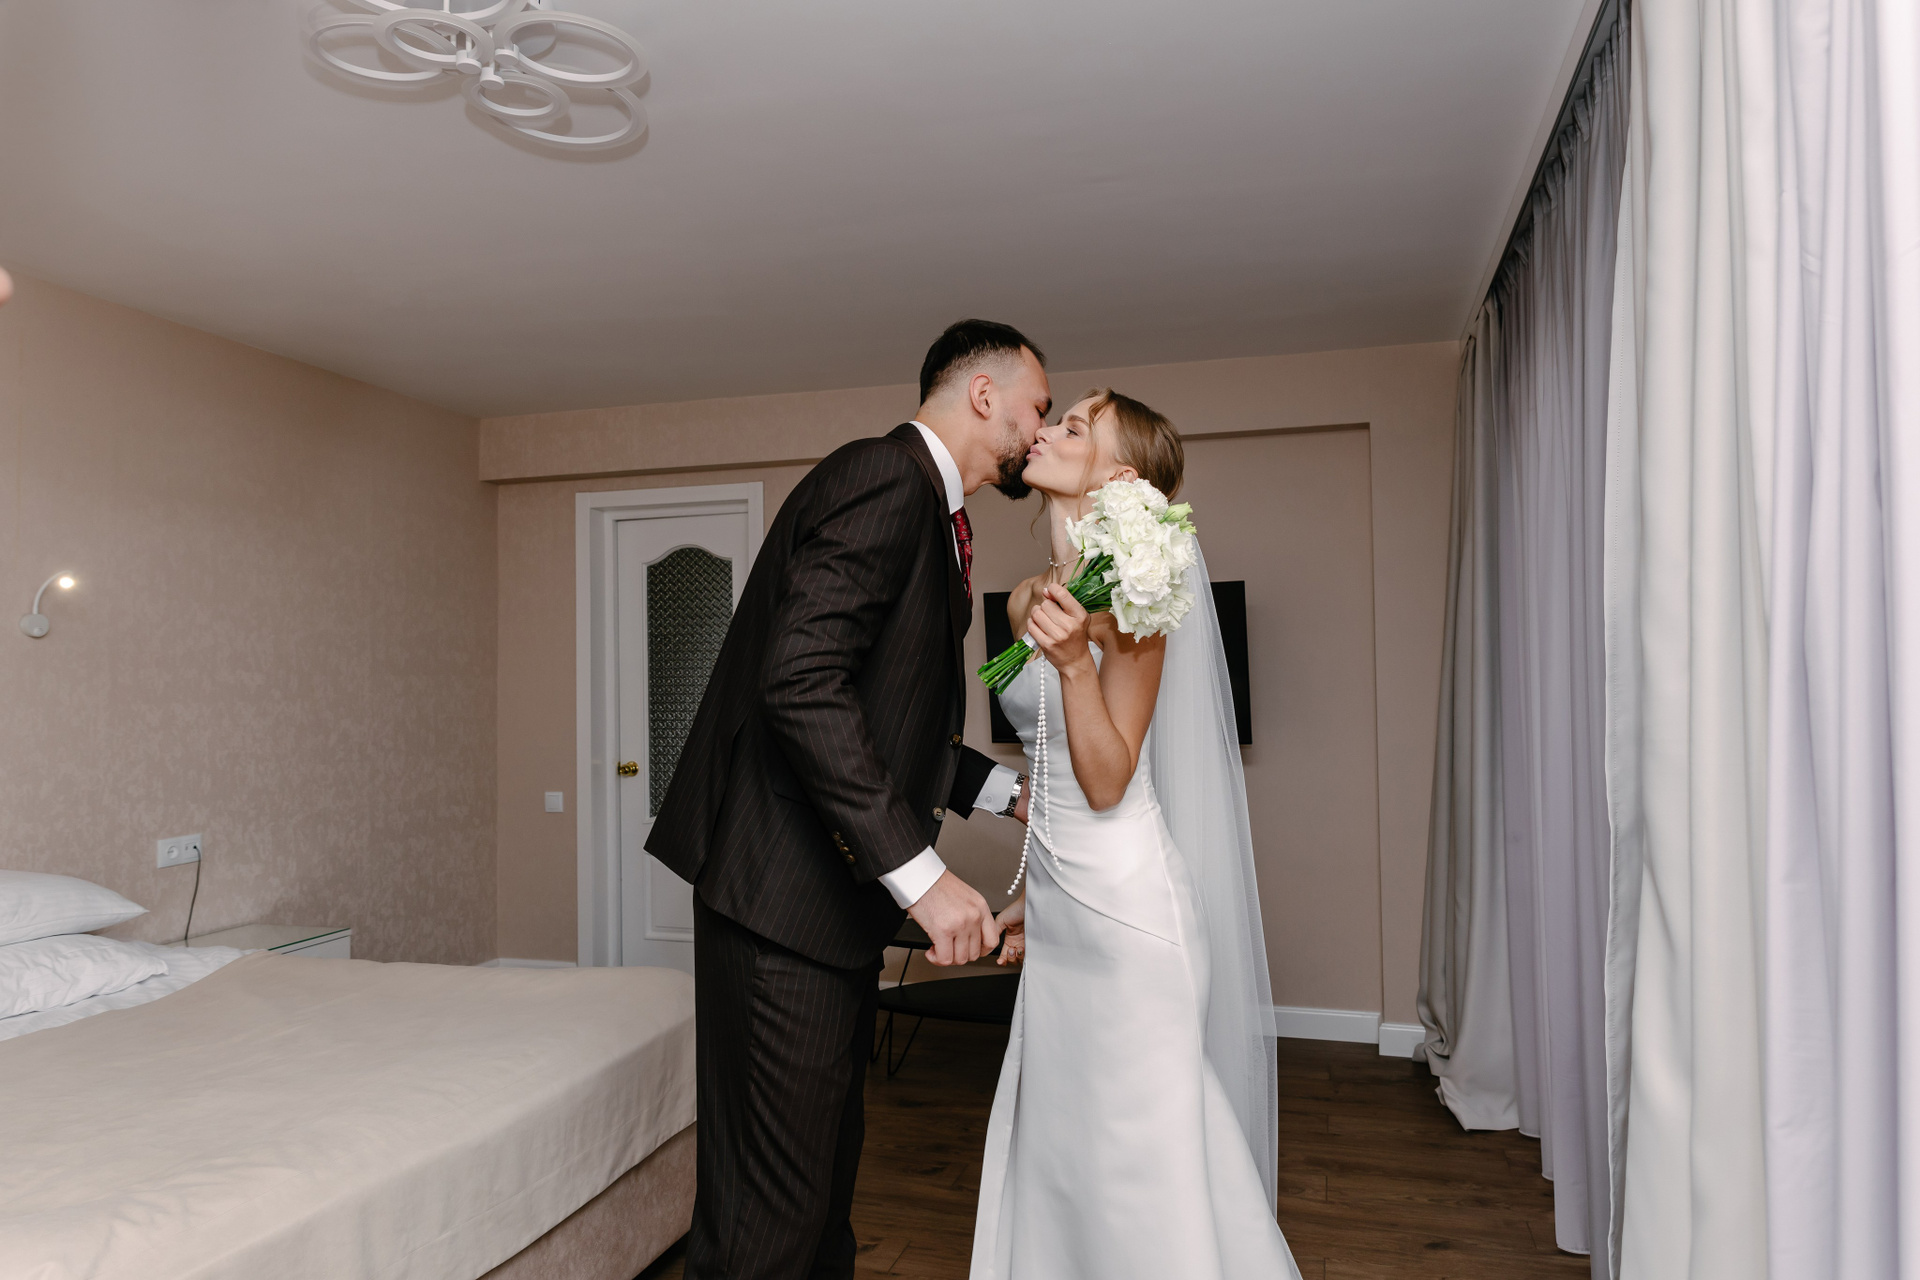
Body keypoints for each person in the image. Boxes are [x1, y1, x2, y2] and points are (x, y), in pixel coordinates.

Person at [647, 319, 1048, 1280]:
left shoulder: (931, 510)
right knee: (770, 1225)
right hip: (781, 903)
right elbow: (800, 683)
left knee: (818, 1203)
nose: (1041, 428)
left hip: (819, 911)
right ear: (984, 394)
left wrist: (1003, 791)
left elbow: (886, 718)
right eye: (1038, 407)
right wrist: (922, 878)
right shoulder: (885, 478)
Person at [971, 390, 1302, 1278]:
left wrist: (1075, 665)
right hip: (1064, 909)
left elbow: (1109, 779)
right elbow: (1049, 762)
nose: (1046, 430)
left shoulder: (1136, 598)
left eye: (1074, 426)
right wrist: (1037, 899)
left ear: (1119, 477)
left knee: (1138, 1159)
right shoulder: (1028, 600)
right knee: (1064, 1153)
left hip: (1128, 921)